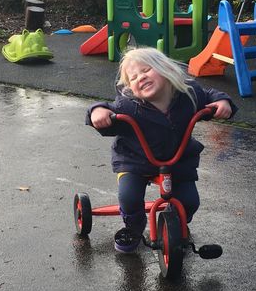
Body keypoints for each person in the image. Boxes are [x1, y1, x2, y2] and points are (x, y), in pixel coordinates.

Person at [87, 47, 237, 253]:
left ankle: (175, 220)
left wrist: (222, 102)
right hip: (135, 160)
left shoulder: (188, 95)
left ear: (166, 69)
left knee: (189, 202)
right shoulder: (128, 106)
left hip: (177, 160)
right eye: (134, 77)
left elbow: (210, 95)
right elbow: (105, 110)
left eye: (146, 70)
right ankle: (133, 226)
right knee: (129, 196)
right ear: (130, 87)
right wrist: (97, 112)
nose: (141, 78)